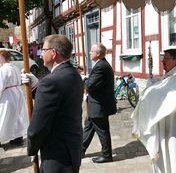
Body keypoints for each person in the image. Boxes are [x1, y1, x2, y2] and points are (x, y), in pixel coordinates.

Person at [132, 49, 176, 173]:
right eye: (163, 59)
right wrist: (155, 84)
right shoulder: (174, 74)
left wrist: (150, 89)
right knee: (169, 153)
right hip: (170, 124)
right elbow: (165, 86)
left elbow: (167, 94)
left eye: (166, 59)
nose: (163, 62)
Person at [23, 35, 84, 173]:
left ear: (53, 52)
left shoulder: (50, 81)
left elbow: (38, 125)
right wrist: (36, 87)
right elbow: (59, 100)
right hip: (72, 146)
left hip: (57, 153)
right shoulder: (74, 74)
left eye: (43, 50)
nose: (41, 53)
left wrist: (32, 149)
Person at [81, 43, 117, 163]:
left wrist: (84, 79)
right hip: (95, 105)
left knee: (102, 131)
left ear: (98, 54)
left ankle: (107, 155)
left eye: (91, 51)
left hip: (99, 106)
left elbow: (90, 85)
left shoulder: (101, 66)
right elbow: (94, 82)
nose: (89, 53)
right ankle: (80, 150)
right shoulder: (100, 65)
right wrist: (88, 77)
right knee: (88, 127)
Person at [0, 50, 28, 147]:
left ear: (2, 58)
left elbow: (1, 85)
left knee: (3, 115)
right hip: (17, 92)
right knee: (17, 115)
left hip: (8, 94)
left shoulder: (3, 69)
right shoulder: (14, 67)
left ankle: (2, 137)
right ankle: (18, 138)